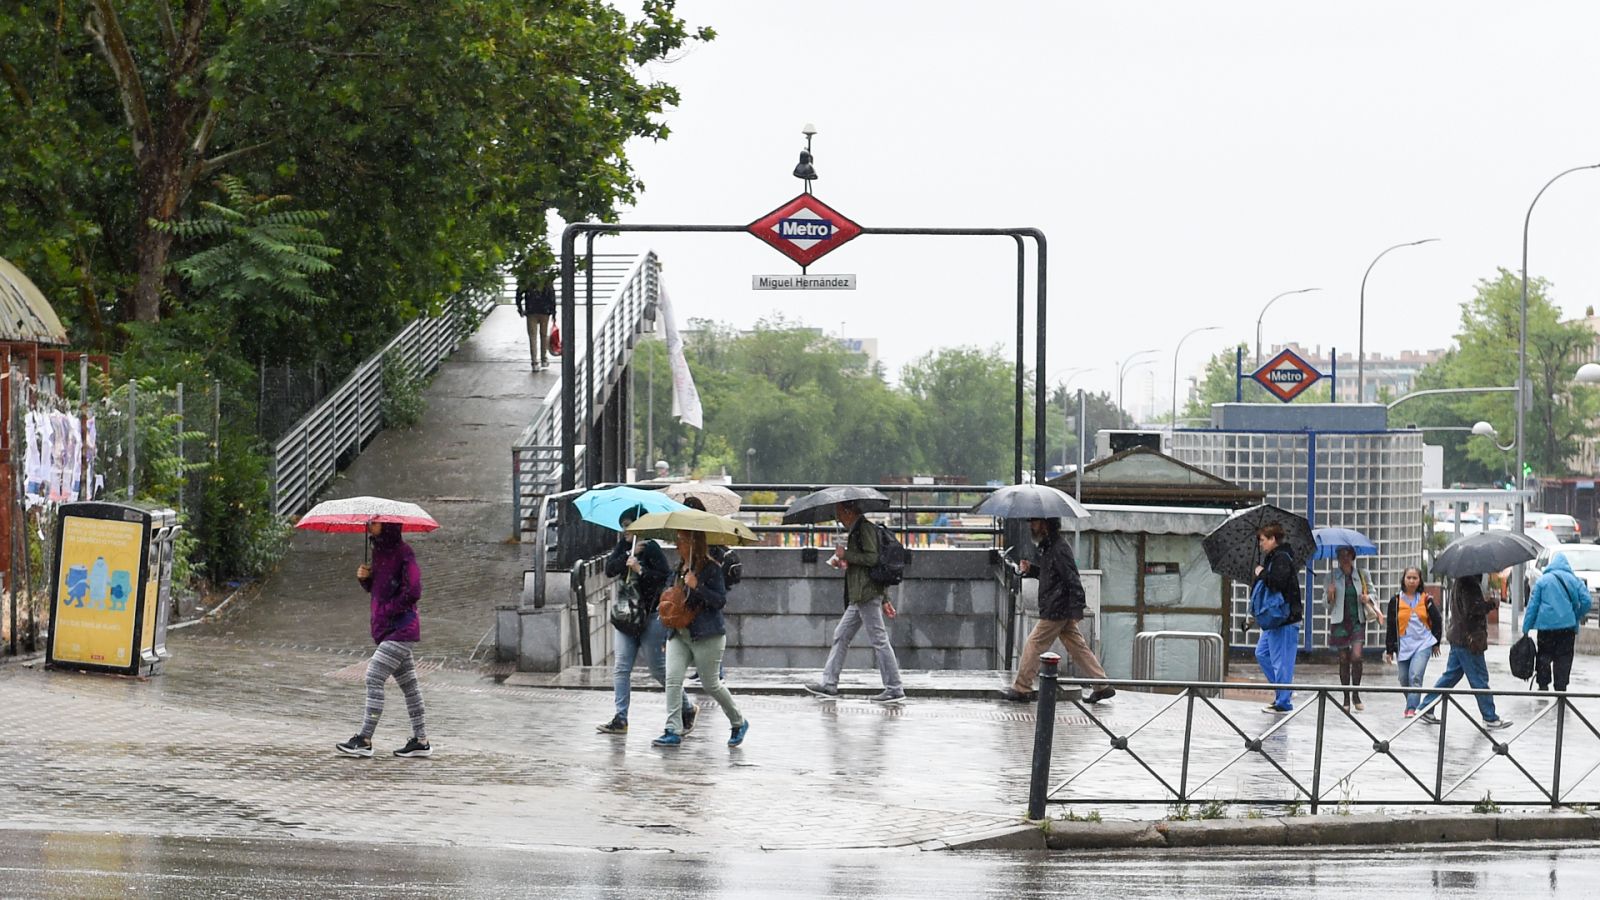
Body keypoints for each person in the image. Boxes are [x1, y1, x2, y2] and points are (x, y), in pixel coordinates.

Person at [595, 507, 697, 736]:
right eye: (623, 526)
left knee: (657, 668)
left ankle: (687, 707)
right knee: (621, 667)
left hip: (650, 617)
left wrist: (640, 569)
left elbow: (663, 579)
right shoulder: (624, 547)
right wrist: (625, 559)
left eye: (630, 526)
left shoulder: (652, 549)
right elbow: (610, 569)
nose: (626, 531)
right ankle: (621, 718)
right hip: (626, 618)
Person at [337, 522, 431, 758]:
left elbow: (414, 591)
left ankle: (365, 739)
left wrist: (390, 610)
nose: (370, 525)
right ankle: (421, 740)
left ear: (388, 525)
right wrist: (365, 579)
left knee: (373, 676)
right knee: (410, 685)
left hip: (401, 628)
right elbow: (380, 590)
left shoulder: (404, 552)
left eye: (376, 522)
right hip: (387, 629)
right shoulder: (379, 552)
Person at [999, 517, 1114, 704]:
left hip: (1056, 608)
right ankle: (1102, 685)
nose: (1031, 526)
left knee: (1034, 643)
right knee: (1078, 647)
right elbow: (1051, 575)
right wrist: (1032, 570)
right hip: (1059, 606)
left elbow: (1072, 578)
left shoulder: (1058, 548)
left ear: (1045, 524)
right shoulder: (1050, 546)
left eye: (1034, 522)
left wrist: (1078, 608)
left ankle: (1022, 688)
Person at [803, 500, 905, 704]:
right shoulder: (857, 529)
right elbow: (865, 563)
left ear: (849, 512)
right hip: (859, 595)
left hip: (866, 594)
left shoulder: (864, 528)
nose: (838, 518)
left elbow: (873, 559)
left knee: (879, 639)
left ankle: (894, 688)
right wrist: (844, 560)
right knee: (841, 635)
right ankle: (829, 684)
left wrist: (846, 554)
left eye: (840, 513)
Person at [654, 529, 749, 747]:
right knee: (672, 679)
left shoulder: (712, 569)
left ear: (693, 543)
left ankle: (738, 721)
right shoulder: (678, 568)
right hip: (679, 633)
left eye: (681, 540)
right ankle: (673, 730)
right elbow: (672, 599)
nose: (677, 545)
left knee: (711, 684)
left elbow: (719, 601)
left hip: (706, 635)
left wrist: (697, 587)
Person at [1418, 575, 1511, 730]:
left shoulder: (1460, 581)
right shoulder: (1469, 584)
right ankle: (1490, 717)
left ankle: (1426, 707)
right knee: (1479, 679)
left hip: (1459, 636)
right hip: (1469, 640)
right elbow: (1473, 609)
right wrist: (1490, 604)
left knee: (1450, 676)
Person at [1523, 552, 1593, 693]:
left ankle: (1543, 685)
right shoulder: (1573, 580)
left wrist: (1526, 627)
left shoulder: (1542, 581)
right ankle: (1561, 687)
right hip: (1567, 627)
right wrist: (1576, 616)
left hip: (1546, 628)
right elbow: (1587, 601)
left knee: (1544, 655)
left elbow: (1533, 606)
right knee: (1564, 657)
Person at [1324, 546, 1383, 711]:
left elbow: (1373, 593)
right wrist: (1330, 594)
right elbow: (1325, 605)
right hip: (1339, 622)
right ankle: (1346, 697)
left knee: (1356, 657)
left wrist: (1367, 597)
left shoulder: (1362, 574)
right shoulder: (1331, 576)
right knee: (1343, 659)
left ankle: (1356, 693)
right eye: (1341, 555)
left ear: (1353, 556)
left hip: (1357, 621)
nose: (1345, 558)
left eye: (1348, 555)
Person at [1253, 523, 1303, 714]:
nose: (1261, 544)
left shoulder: (1281, 558)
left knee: (1282, 660)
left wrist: (1262, 573)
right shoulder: (1273, 558)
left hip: (1284, 618)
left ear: (1273, 539)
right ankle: (1285, 690)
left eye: (1263, 540)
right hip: (1274, 619)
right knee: (1262, 653)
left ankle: (1284, 702)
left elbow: (1277, 583)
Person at [1383, 566, 1440, 717]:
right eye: (1409, 577)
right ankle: (1416, 705)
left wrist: (1436, 642)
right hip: (1403, 646)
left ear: (1420, 580)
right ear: (1403, 579)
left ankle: (1411, 709)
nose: (1412, 581)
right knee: (1403, 679)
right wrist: (1389, 650)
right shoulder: (1395, 601)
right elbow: (1391, 626)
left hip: (1423, 644)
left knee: (1415, 676)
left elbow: (1437, 620)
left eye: (1415, 578)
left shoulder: (1426, 600)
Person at [514, 266, 556, 371]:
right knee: (543, 335)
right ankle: (544, 359)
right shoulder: (546, 279)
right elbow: (552, 295)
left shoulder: (527, 279)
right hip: (544, 311)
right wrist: (553, 312)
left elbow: (519, 294)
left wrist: (520, 308)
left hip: (531, 311)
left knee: (532, 337)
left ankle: (534, 362)